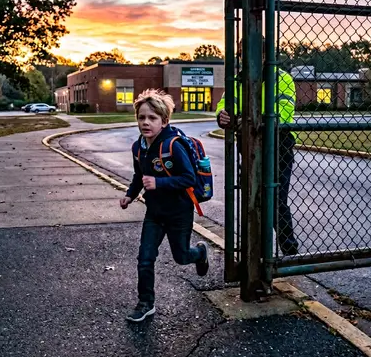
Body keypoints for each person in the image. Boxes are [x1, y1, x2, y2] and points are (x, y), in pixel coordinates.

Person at [120, 89, 209, 323]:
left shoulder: (173, 145)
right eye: (141, 117)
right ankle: (145, 303)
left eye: (152, 118)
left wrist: (159, 182)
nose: (146, 123)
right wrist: (130, 195)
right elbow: (139, 175)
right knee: (145, 258)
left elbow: (189, 178)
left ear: (164, 121)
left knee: (181, 257)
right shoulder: (138, 147)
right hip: (154, 214)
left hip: (179, 213)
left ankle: (199, 253)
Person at [215, 68, 299, 256]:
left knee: (276, 196)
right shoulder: (237, 80)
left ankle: (288, 248)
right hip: (249, 145)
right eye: (239, 52)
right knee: (251, 195)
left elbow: (282, 113)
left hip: (278, 144)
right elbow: (226, 105)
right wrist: (223, 114)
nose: (242, 56)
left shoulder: (281, 78)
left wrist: (248, 122)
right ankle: (254, 251)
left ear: (262, 54)